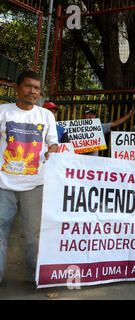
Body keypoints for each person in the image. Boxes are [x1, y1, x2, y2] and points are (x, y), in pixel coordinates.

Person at [0, 71, 59, 283]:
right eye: (28, 86)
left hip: (35, 186)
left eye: (36, 87)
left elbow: (53, 142)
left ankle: (37, 277)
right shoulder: (3, 112)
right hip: (3, 185)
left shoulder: (46, 116)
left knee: (35, 236)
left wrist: (52, 150)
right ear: (17, 88)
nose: (33, 91)